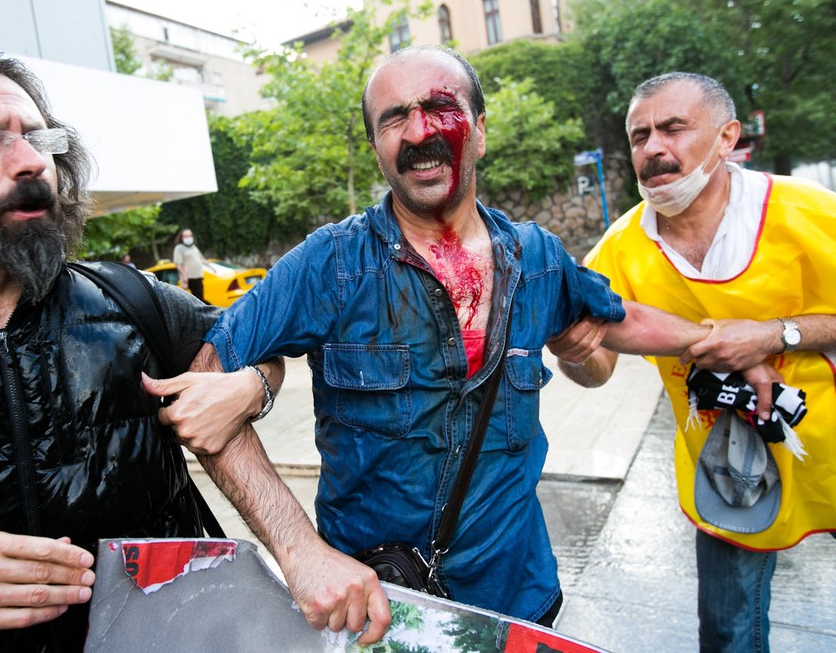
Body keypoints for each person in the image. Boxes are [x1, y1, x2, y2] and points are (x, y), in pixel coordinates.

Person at [148, 47, 751, 633]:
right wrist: (299, 550)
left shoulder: (538, 258)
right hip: (380, 616)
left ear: (480, 131)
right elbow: (201, 390)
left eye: (440, 107)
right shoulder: (329, 264)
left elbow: (624, 320)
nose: (418, 132)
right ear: (377, 148)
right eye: (394, 119)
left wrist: (730, 342)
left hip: (519, 602)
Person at [0, 32, 280, 651]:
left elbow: (259, 345)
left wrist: (253, 386)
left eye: (37, 138)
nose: (30, 162)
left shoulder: (131, 299)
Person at [554, 72, 836, 652]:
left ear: (727, 136)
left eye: (673, 128)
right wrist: (573, 351)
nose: (653, 147)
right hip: (730, 470)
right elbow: (596, 369)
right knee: (728, 632)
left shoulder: (807, 212)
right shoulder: (618, 250)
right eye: (639, 136)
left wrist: (774, 335)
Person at [172, 228, 208, 302]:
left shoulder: (193, 247)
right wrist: (184, 276)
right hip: (190, 278)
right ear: (181, 238)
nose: (188, 238)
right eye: (186, 236)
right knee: (197, 300)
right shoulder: (179, 248)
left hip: (198, 276)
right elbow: (178, 264)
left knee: (200, 298)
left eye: (190, 236)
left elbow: (202, 259)